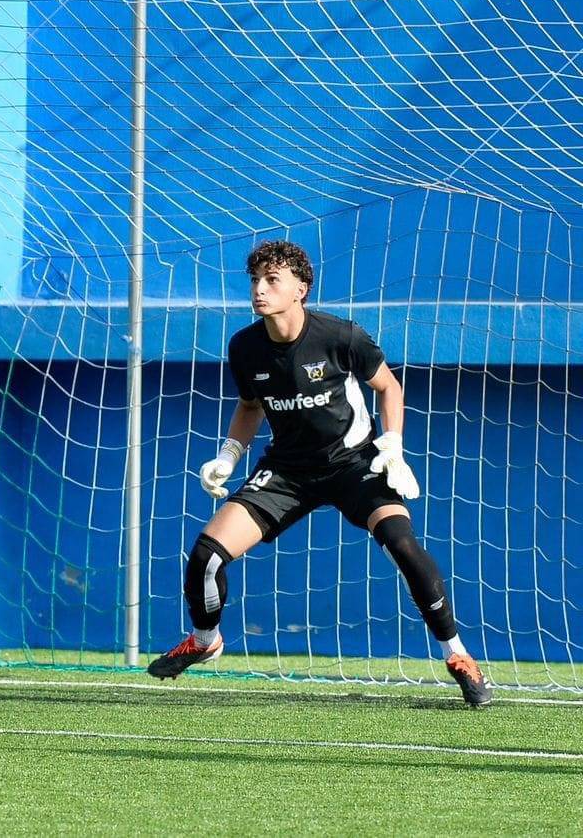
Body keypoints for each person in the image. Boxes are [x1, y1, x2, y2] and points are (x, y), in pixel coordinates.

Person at [147, 239, 492, 708]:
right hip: (286, 472)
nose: (260, 289)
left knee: (402, 544)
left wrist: (392, 444)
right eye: (255, 280)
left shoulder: (340, 335)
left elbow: (389, 387)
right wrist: (228, 456)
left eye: (273, 280)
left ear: (301, 289)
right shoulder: (245, 347)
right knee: (206, 556)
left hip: (354, 464)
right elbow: (250, 406)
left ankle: (458, 654)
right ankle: (205, 640)